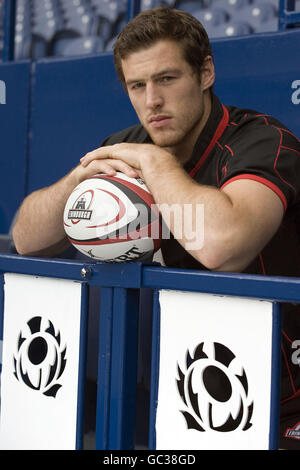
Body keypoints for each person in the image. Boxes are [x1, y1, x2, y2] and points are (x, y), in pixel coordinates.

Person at [12, 7, 300, 449]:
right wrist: (77, 179)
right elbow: (25, 240)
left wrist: (156, 162)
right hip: (192, 384)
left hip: (283, 395)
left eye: (167, 79)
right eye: (137, 85)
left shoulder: (262, 141)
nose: (152, 102)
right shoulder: (124, 148)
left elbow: (222, 247)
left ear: (205, 73)